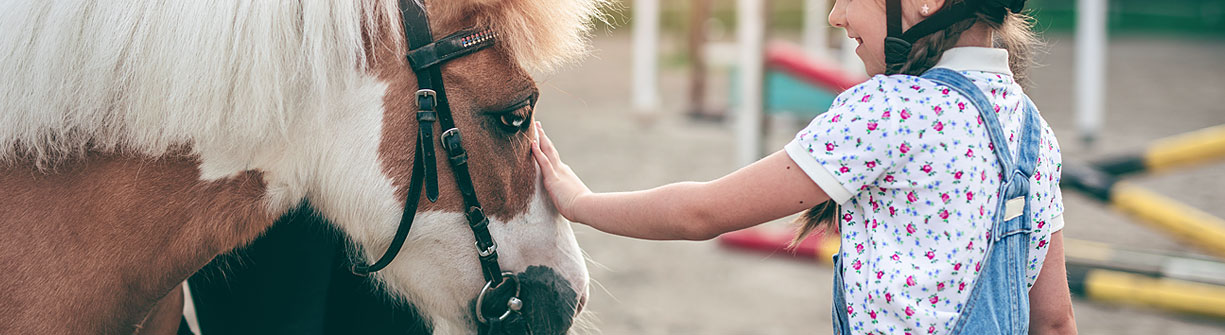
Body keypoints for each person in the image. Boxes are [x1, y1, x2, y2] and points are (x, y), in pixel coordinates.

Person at [530, 0, 1077, 334]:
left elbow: (703, 212)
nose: (836, 15)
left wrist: (583, 204)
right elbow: (1053, 321)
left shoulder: (891, 108)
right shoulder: (1033, 132)